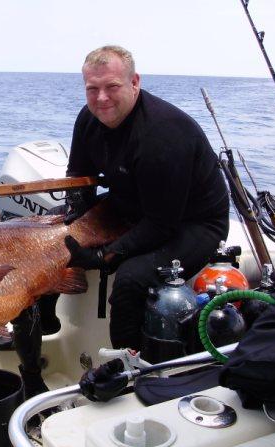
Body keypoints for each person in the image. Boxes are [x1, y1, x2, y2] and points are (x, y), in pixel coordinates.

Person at [64, 45, 229, 353]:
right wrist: (74, 220)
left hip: (192, 222)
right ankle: (39, 344)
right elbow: (78, 180)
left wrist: (104, 256)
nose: (101, 99)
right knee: (52, 239)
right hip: (132, 203)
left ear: (134, 82)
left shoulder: (162, 135)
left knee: (130, 279)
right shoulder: (88, 119)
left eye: (112, 87)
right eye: (92, 89)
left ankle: (131, 371)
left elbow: (161, 224)